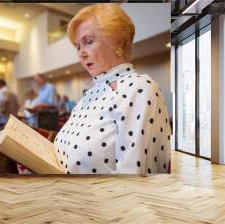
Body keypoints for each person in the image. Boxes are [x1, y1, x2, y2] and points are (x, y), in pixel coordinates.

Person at [54, 4, 171, 175]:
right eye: (77, 46)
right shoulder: (87, 96)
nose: (81, 54)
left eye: (88, 42)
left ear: (119, 41)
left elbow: (133, 177)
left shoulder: (140, 87)